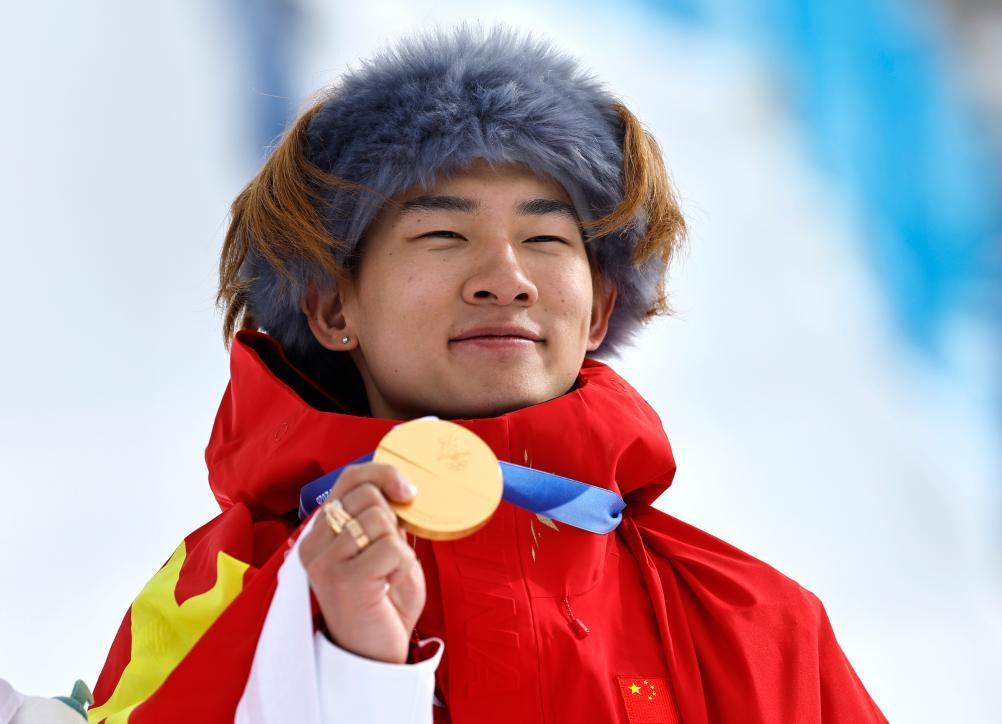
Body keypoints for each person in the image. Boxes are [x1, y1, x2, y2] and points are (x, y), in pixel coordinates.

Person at [88, 25, 887, 723]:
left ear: (600, 309)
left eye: (546, 241)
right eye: (442, 234)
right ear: (332, 306)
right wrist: (348, 676)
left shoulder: (759, 626)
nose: (506, 279)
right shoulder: (221, 591)